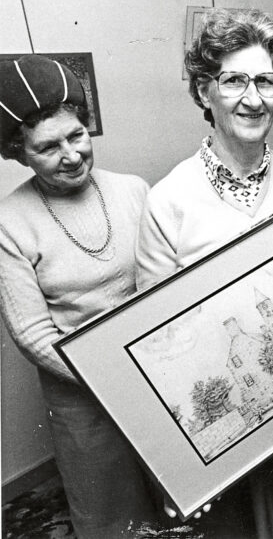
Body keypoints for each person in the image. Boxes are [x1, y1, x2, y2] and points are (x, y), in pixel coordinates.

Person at [135, 8, 273, 537]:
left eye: (266, 81)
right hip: (239, 428)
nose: (253, 99)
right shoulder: (169, 200)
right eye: (234, 80)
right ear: (203, 92)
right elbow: (161, 349)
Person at [0, 55, 158, 537]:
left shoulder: (133, 190)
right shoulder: (8, 222)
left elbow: (162, 281)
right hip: (80, 393)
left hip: (155, 370)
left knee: (175, 496)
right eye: (47, 147)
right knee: (110, 511)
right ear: (18, 151)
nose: (71, 155)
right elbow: (31, 333)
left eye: (77, 136)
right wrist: (109, 376)